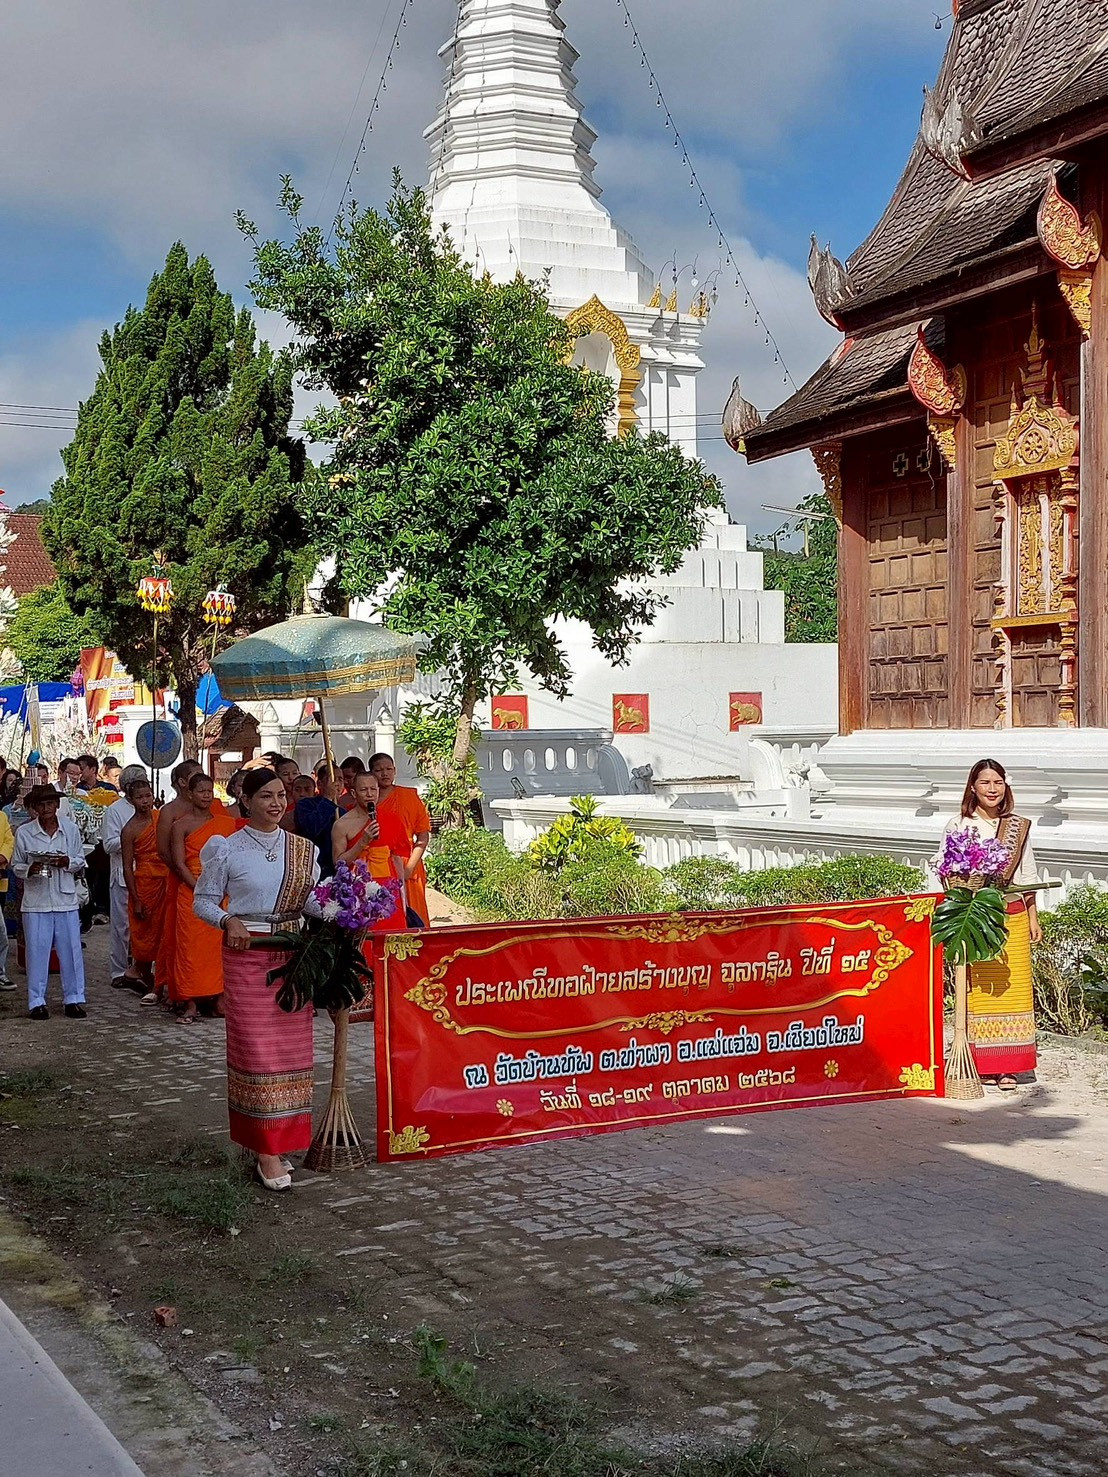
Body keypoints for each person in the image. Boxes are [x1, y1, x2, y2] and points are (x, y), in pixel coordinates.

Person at [193, 768, 320, 1192]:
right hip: (248, 958)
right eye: (265, 795)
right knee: (257, 1054)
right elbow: (204, 903)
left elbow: (314, 903)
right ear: (244, 800)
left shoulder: (303, 849)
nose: (276, 803)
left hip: (294, 956)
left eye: (281, 795)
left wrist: (352, 907)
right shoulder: (226, 849)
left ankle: (282, 1140)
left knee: (290, 1054)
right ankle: (265, 1149)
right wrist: (228, 920)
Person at [942, 760, 1041, 1091]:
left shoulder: (1018, 827)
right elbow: (945, 869)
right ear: (973, 787)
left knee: (1012, 993)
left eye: (998, 782)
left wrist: (1032, 917)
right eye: (985, 782)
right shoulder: (959, 825)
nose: (992, 788)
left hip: (1010, 915)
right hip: (975, 919)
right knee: (981, 992)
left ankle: (1009, 1067)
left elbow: (1027, 875)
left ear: (1006, 786)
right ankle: (980, 1061)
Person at [13, 786, 87, 1020]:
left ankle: (74, 998)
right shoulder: (25, 832)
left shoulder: (70, 829)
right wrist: (30, 869)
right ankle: (37, 1001)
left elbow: (80, 860)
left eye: (50, 804)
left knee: (71, 951)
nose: (46, 809)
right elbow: (16, 865)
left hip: (64, 897)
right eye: (41, 805)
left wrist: (66, 862)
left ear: (57, 805)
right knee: (36, 952)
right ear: (34, 809)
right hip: (37, 899)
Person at [170, 772, 239, 1022]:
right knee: (189, 949)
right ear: (189, 794)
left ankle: (220, 999)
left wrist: (218, 888)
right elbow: (179, 864)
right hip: (191, 890)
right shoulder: (181, 825)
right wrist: (202, 888)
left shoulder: (226, 823)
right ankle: (189, 1003)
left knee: (219, 949)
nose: (206, 796)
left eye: (210, 791)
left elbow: (231, 860)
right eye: (201, 791)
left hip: (220, 893)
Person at [331, 771, 408, 933]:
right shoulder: (342, 824)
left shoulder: (392, 819)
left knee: (392, 944)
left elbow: (396, 859)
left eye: (373, 789)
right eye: (364, 790)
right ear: (353, 793)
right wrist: (362, 842)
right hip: (358, 893)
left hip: (388, 893)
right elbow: (338, 863)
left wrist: (403, 898)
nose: (369, 794)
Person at [155, 760, 203, 1006]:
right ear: (183, 782)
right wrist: (184, 873)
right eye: (195, 776)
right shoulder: (171, 811)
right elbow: (163, 851)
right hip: (180, 880)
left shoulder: (212, 807)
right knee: (178, 938)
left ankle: (210, 989)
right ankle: (178, 988)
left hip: (212, 881)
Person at [100, 762, 150, 990]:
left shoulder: (152, 811)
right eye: (139, 790)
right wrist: (131, 840)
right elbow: (109, 845)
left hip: (148, 877)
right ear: (128, 789)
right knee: (122, 926)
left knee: (145, 927)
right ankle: (119, 970)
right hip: (122, 876)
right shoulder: (115, 811)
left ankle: (141, 969)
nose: (144, 796)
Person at [369, 752, 431, 927]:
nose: (385, 774)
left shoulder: (409, 796)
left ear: (395, 770)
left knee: (414, 917)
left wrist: (409, 869)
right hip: (379, 863)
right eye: (379, 770)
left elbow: (423, 836)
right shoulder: (367, 801)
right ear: (371, 772)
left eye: (389, 769)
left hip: (408, 861)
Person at [120, 777, 166, 1001]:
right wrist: (136, 898)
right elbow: (127, 867)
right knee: (145, 934)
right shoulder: (129, 829)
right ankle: (142, 974)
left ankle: (158, 982)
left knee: (165, 933)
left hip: (166, 881)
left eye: (148, 796)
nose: (145, 801)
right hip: (145, 884)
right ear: (130, 800)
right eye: (140, 797)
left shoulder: (161, 818)